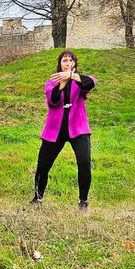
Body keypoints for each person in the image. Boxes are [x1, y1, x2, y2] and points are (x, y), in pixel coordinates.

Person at [31, 50, 96, 210]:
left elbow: (91, 83)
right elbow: (52, 100)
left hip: (78, 128)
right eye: (65, 61)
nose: (68, 63)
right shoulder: (51, 82)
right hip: (55, 130)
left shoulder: (80, 80)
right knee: (43, 165)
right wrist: (62, 84)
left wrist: (73, 77)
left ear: (75, 64)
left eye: (71, 61)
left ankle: (83, 201)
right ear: (60, 64)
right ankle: (37, 198)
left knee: (84, 162)